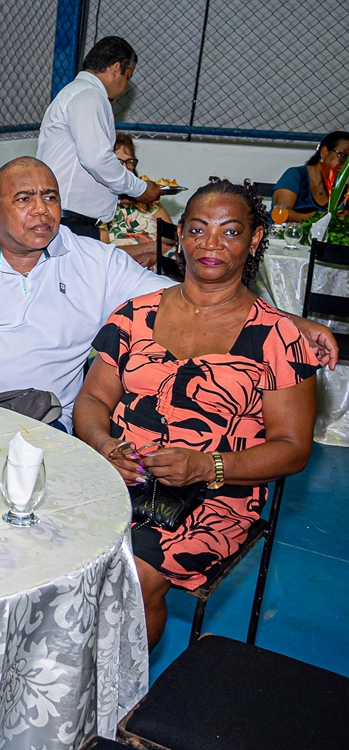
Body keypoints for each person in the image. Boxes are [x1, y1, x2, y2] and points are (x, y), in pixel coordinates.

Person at [0, 158, 338, 431]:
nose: (41, 211)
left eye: (50, 197)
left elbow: (190, 297)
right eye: (24, 199)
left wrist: (294, 323)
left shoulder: (97, 262)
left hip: (46, 423)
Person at [74, 179, 319, 649]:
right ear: (180, 235)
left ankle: (118, 686)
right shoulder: (134, 315)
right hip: (119, 476)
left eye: (230, 231)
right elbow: (93, 400)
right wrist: (105, 446)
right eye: (198, 229)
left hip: (217, 493)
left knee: (131, 575)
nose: (211, 243)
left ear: (255, 239)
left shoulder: (278, 337)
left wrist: (208, 465)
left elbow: (293, 449)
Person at [37, 36, 162, 241]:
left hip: (67, 215)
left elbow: (79, 166)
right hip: (70, 220)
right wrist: (139, 188)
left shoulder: (76, 92)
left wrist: (118, 195)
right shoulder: (89, 95)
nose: (124, 87)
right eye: (127, 77)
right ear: (116, 68)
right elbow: (96, 159)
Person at [100, 133, 174, 269]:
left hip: (154, 267)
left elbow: (171, 238)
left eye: (129, 162)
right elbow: (102, 252)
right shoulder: (99, 205)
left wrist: (154, 256)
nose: (124, 168)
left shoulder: (147, 199)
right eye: (117, 162)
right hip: (118, 268)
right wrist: (152, 248)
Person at [273, 131, 349, 221]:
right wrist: (315, 218)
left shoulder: (345, 188)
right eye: (343, 155)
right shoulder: (296, 176)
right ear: (324, 152)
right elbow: (281, 212)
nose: (346, 163)